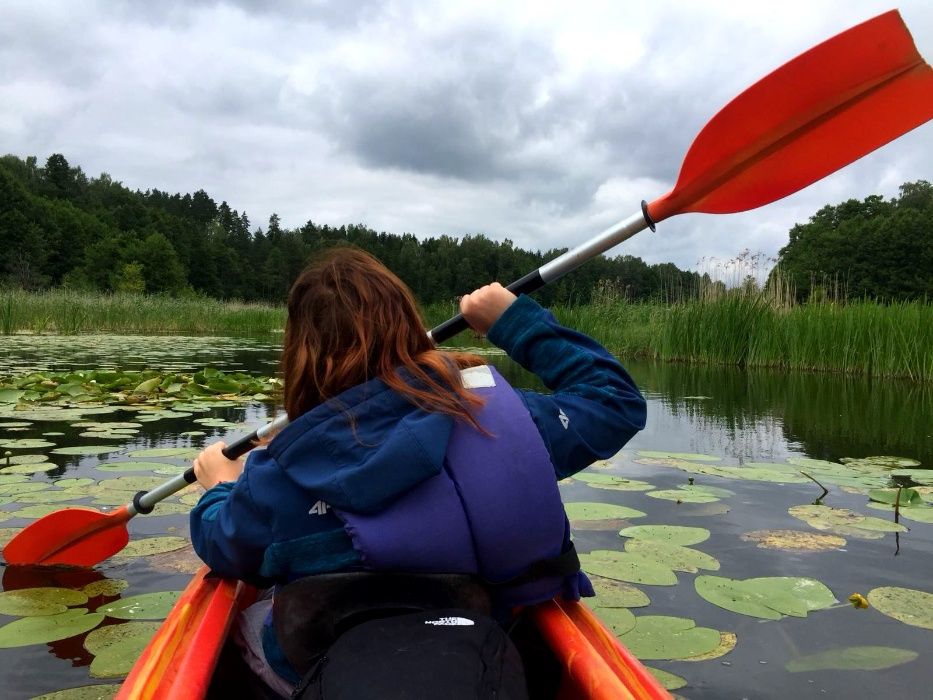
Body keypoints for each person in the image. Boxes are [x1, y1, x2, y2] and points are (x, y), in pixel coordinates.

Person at [190, 246, 647, 697]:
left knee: (248, 618)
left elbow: (224, 547)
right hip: (481, 650)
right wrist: (513, 320)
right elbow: (614, 402)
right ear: (411, 329)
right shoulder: (497, 421)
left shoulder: (276, 474)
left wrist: (220, 488)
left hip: (320, 665)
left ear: (301, 354)